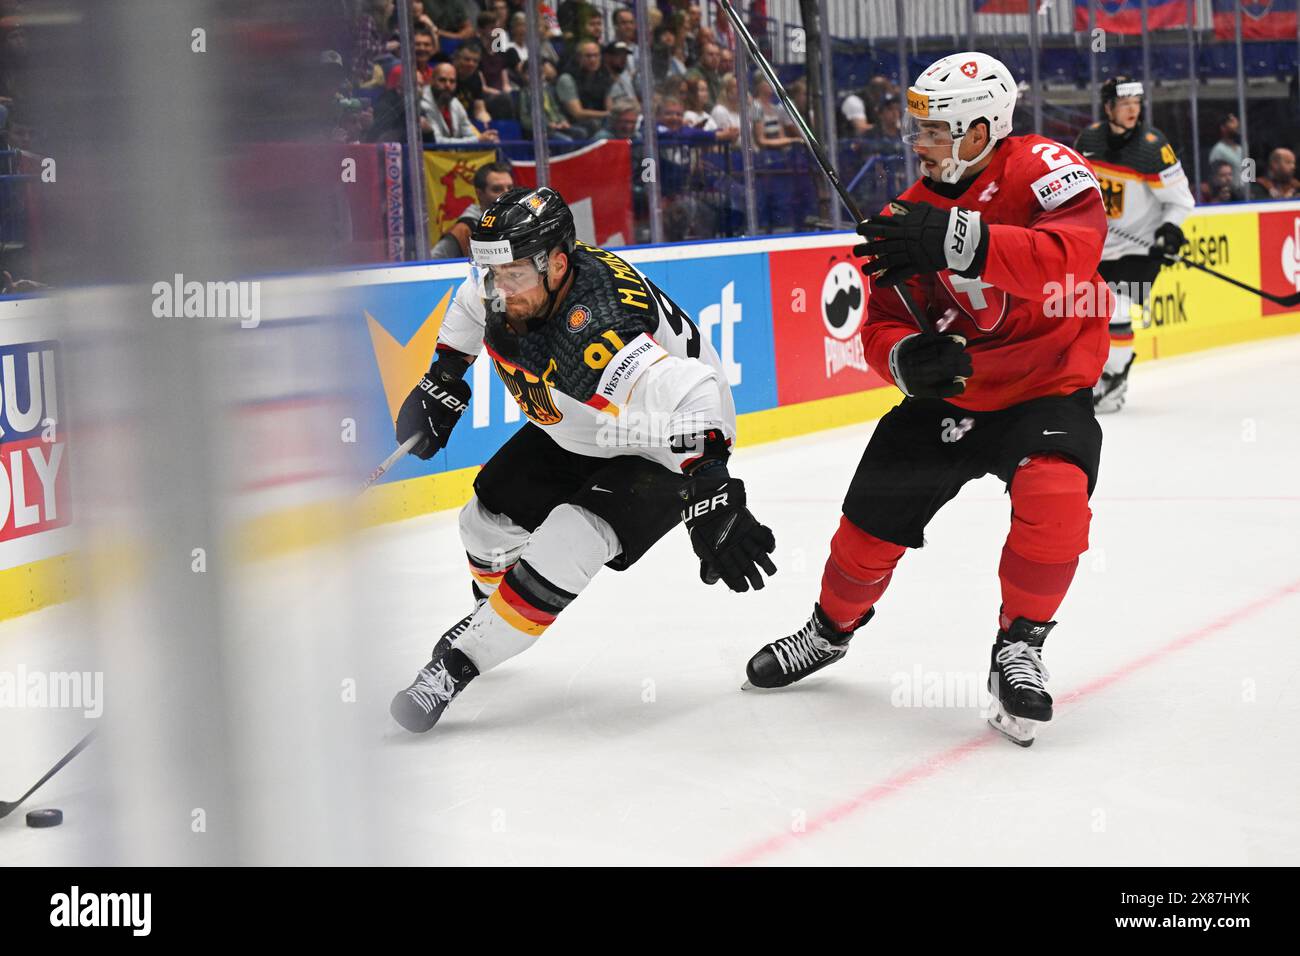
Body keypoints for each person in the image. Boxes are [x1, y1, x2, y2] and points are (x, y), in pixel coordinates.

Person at [743, 52, 1110, 748]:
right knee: (866, 531)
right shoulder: (904, 213)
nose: (919, 144)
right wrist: (906, 359)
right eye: (919, 130)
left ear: (980, 130)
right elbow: (880, 320)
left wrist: (954, 238)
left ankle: (1020, 646)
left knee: (1057, 498)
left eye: (935, 131)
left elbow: (1070, 256)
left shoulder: (1045, 167)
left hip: (1045, 388)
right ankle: (829, 631)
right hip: (952, 398)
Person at [389, 188, 777, 732]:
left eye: (513, 277)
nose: (499, 290)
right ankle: (489, 615)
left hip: (658, 440)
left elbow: (695, 390)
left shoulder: (600, 332)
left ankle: (457, 667)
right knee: (481, 524)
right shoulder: (513, 278)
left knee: (571, 538)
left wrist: (711, 485)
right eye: (491, 273)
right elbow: (470, 301)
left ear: (558, 265)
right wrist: (445, 375)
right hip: (583, 429)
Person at [1075, 77, 1194, 414]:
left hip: (1141, 248)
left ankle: (1115, 379)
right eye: (1125, 104)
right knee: (1084, 314)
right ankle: (1095, 377)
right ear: (1109, 107)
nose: (1132, 111)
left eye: (1137, 104)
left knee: (1118, 308)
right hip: (1097, 247)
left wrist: (1169, 232)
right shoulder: (1089, 140)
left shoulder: (1153, 148)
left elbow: (1181, 201)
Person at [430, 162, 514, 259]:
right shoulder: (464, 230)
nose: (507, 194)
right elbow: (433, 265)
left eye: (510, 188)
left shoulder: (521, 221)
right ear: (479, 193)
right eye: (497, 189)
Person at [427, 61, 499, 143]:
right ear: (431, 80)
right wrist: (477, 140)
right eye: (442, 80)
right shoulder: (423, 104)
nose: (447, 85)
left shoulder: (455, 103)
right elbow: (437, 141)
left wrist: (486, 139)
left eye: (452, 81)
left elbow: (469, 133)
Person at [557, 40, 612, 136]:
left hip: (600, 122)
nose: (593, 60)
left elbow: (610, 107)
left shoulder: (604, 77)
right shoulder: (567, 79)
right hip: (572, 124)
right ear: (578, 57)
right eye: (588, 56)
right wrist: (607, 114)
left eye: (596, 55)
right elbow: (577, 113)